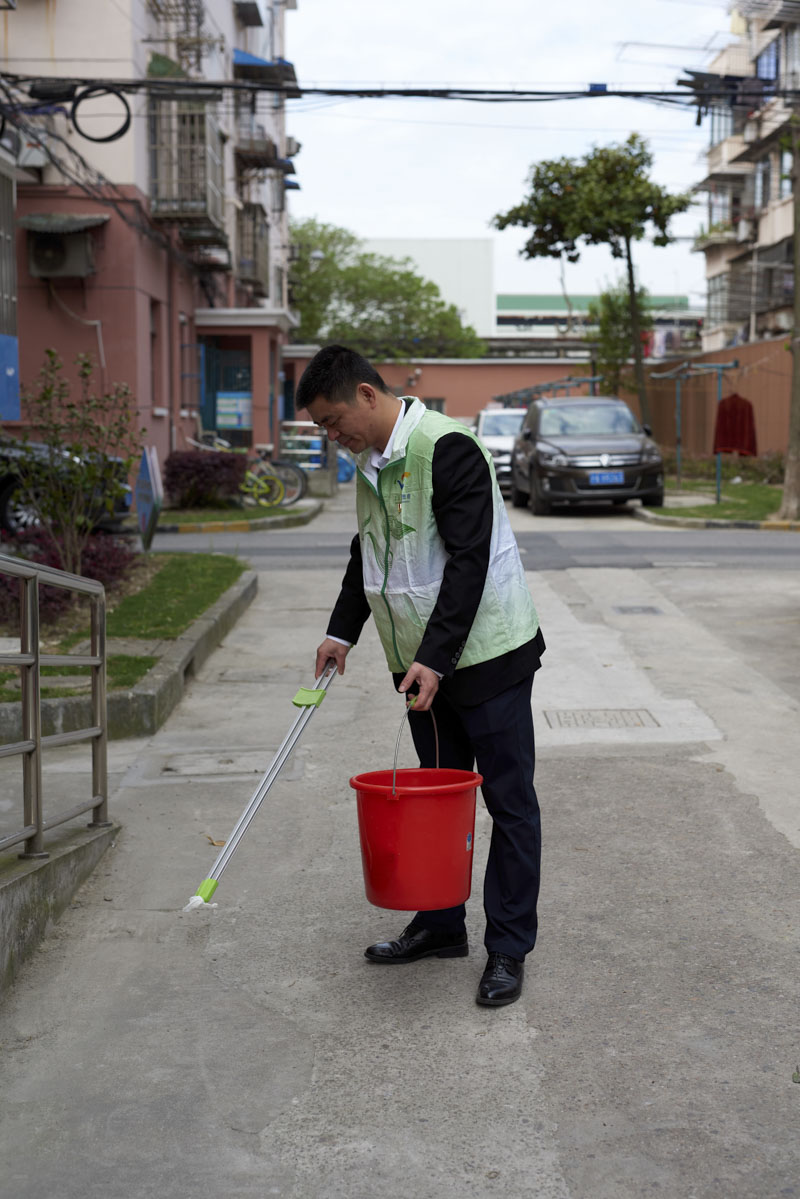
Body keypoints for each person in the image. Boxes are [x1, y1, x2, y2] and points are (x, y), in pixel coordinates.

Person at [295, 345, 545, 1008]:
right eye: (320, 426)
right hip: (421, 669)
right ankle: (439, 925)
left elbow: (469, 560)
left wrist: (434, 655)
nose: (331, 434)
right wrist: (339, 632)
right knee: (434, 803)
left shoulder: (448, 446)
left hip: (487, 659)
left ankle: (509, 946)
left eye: (332, 418)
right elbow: (368, 553)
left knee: (508, 804)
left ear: (367, 395)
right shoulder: (367, 463)